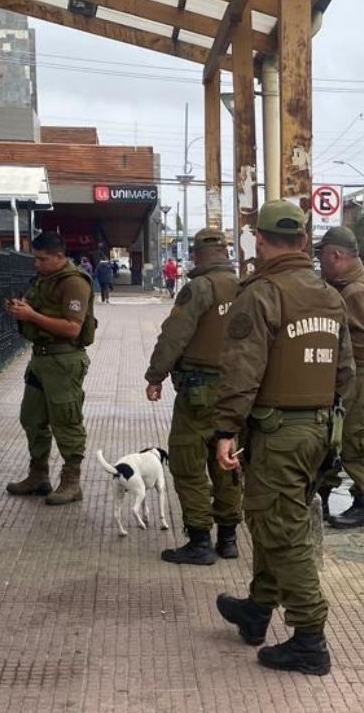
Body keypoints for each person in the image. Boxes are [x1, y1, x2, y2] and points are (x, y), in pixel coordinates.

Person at [210, 200, 354, 676]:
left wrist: (226, 428)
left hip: (276, 432)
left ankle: (309, 638)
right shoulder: (330, 295)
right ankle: (256, 608)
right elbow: (346, 372)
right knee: (275, 518)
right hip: (318, 429)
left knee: (282, 530)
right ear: (304, 241)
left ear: (262, 240)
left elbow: (241, 371)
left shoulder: (262, 293)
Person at [144, 228, 242, 565]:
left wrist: (155, 376)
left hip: (200, 391)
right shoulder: (245, 288)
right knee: (227, 460)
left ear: (198, 255)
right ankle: (228, 538)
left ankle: (200, 540)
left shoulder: (199, 288)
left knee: (188, 464)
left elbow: (174, 336)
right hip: (236, 389)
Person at [4, 232, 95, 506]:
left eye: (42, 259)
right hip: (40, 359)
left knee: (66, 421)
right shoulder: (44, 280)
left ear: (59, 256)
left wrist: (31, 316)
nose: (37, 264)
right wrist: (21, 309)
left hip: (63, 361)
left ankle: (71, 481)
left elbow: (72, 328)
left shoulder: (74, 283)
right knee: (32, 418)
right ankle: (38, 474)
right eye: (36, 258)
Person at [316, 226, 364, 529]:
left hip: (358, 374)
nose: (321, 264)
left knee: (355, 439)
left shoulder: (356, 291)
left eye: (323, 257)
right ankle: (323, 499)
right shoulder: (343, 287)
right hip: (346, 375)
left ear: (336, 255)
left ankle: (361, 505)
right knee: (332, 437)